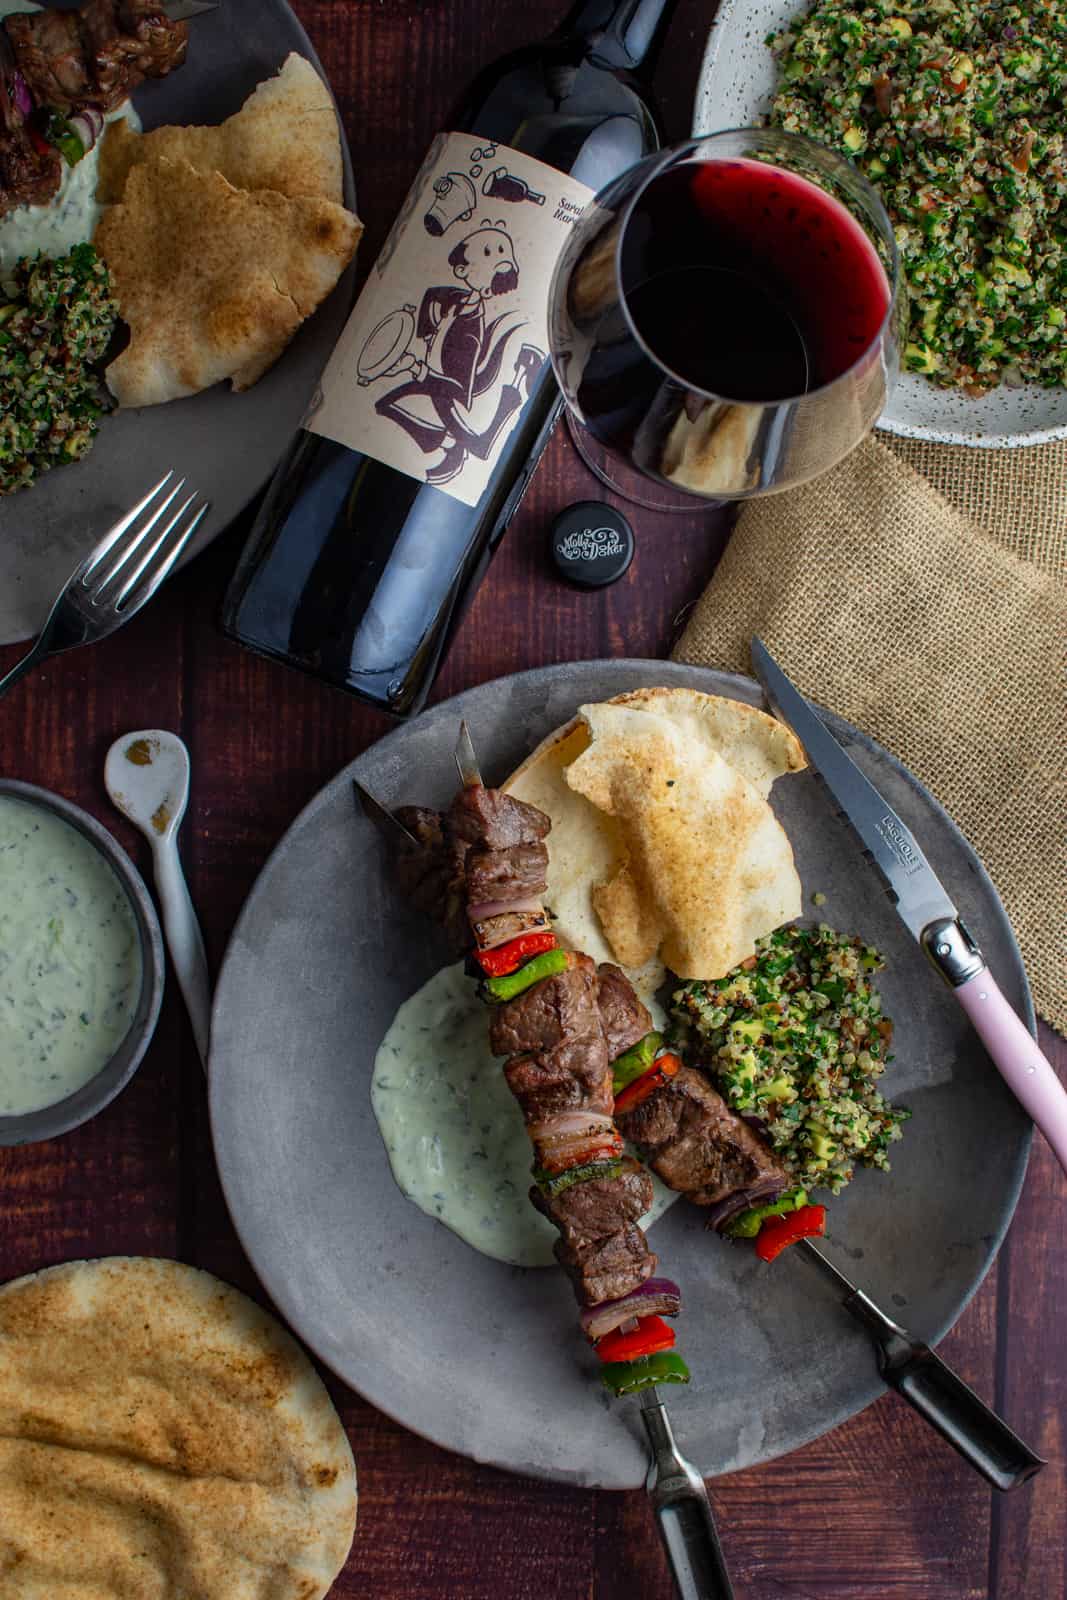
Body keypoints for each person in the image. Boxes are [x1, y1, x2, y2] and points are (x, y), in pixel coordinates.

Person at [375, 224, 543, 486]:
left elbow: (458, 387)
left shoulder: (469, 333)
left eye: (492, 252)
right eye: (489, 250)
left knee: (386, 405)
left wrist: (417, 368)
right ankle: (447, 441)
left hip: (446, 399)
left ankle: (453, 443)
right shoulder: (454, 299)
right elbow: (431, 302)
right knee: (383, 405)